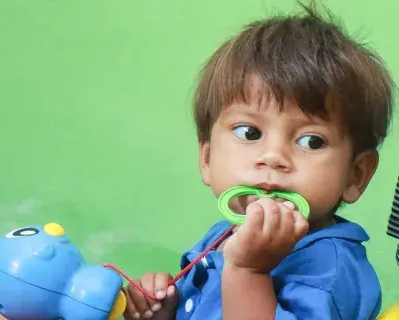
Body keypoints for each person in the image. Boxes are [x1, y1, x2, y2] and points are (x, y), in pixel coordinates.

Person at [123, 2, 396, 319]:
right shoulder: (224, 233)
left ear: (355, 175)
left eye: (312, 141)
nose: (273, 157)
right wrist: (166, 310)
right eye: (249, 132)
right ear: (207, 158)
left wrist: (248, 272)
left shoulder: (331, 271)